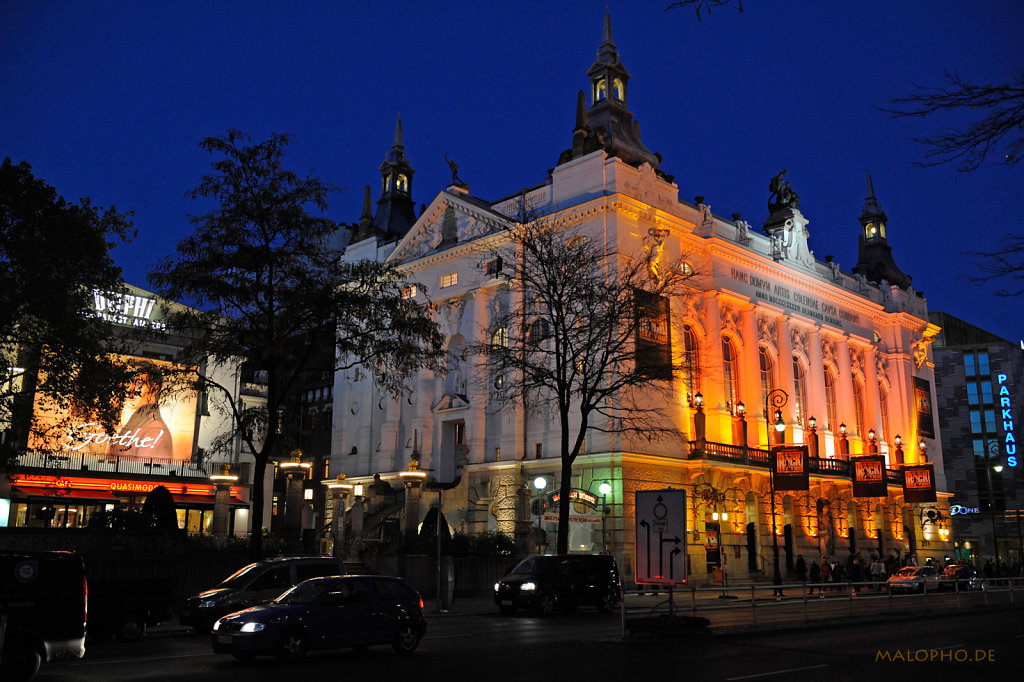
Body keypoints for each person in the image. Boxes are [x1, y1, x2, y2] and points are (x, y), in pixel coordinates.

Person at [107, 362, 173, 460]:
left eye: (139, 383)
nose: (131, 390)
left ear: (154, 388)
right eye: (128, 382)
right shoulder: (137, 422)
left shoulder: (155, 431)